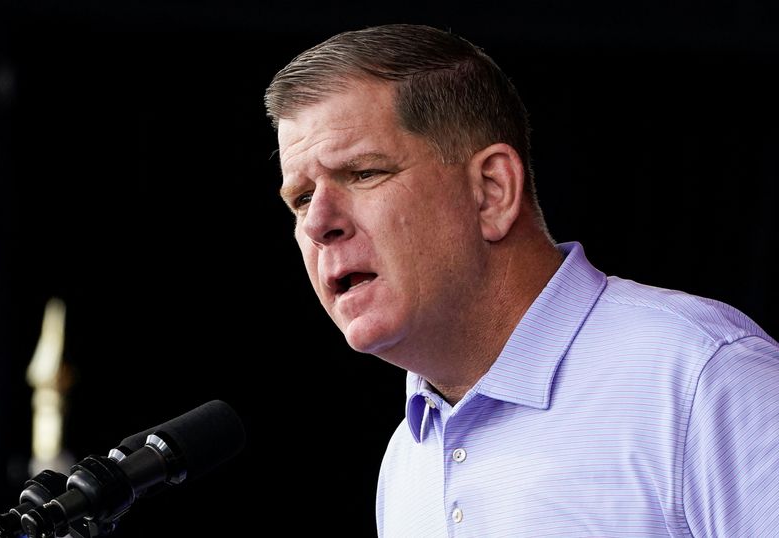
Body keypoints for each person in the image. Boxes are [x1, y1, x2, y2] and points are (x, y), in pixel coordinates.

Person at [264, 24, 779, 537]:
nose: (317, 223)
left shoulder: (702, 379)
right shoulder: (407, 460)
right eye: (302, 198)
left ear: (491, 191)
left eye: (363, 173)